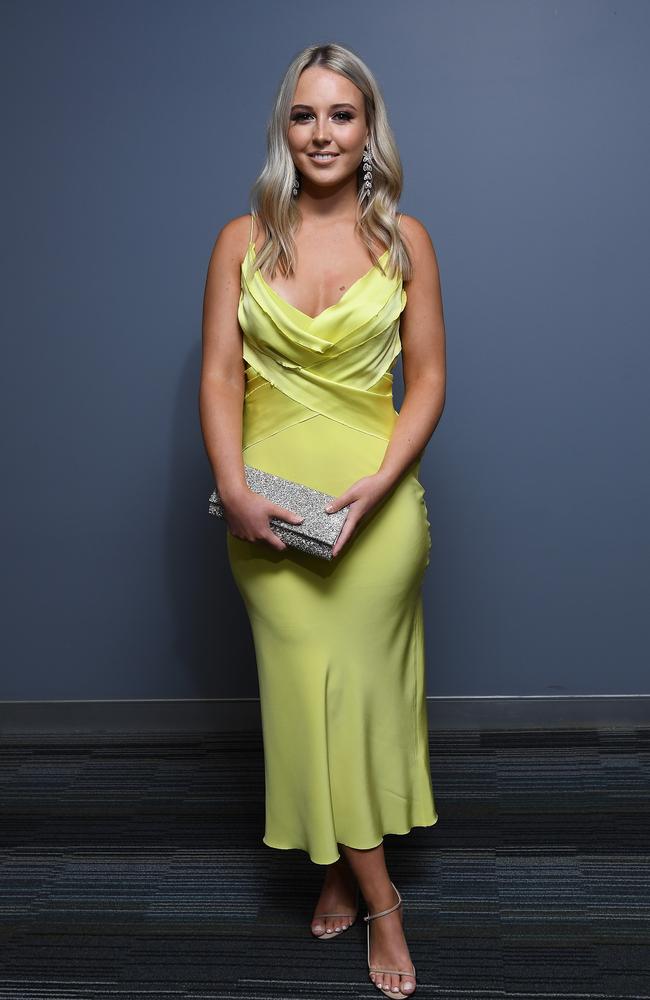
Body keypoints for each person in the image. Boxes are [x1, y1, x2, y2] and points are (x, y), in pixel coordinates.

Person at [199, 42, 446, 998]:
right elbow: (222, 375)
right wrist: (236, 486)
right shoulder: (239, 240)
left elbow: (425, 381)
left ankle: (360, 886)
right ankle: (383, 898)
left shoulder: (408, 241)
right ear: (283, 130)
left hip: (376, 508)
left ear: (368, 129)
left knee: (356, 700)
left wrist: (381, 486)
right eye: (305, 116)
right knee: (311, 695)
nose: (322, 133)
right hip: (266, 508)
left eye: (341, 115)